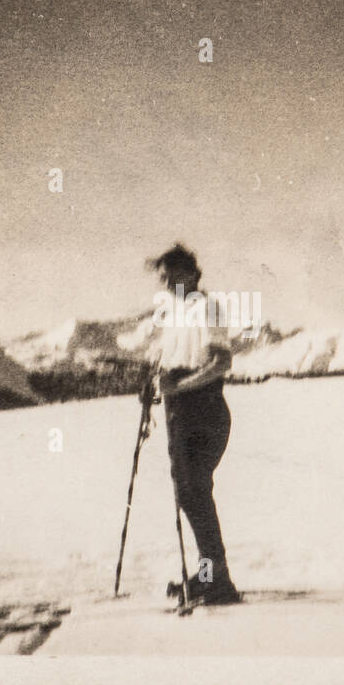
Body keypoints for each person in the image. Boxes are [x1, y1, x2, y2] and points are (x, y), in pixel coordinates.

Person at [140, 243, 242, 605]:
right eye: (162, 279)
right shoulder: (176, 313)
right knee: (191, 493)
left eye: (171, 277)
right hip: (180, 413)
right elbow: (171, 363)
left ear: (191, 273)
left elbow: (221, 362)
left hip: (205, 410)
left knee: (192, 492)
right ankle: (210, 576)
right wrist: (157, 384)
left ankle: (215, 580)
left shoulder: (206, 307)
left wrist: (178, 386)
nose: (166, 285)